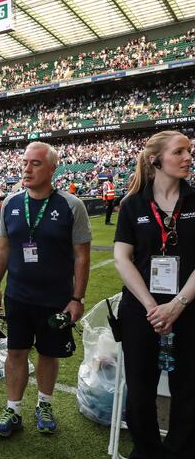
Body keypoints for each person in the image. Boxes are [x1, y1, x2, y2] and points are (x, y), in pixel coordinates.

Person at [0, 141, 91, 437]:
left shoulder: (72, 205)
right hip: (18, 296)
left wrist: (77, 298)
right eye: (24, 162)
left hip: (56, 299)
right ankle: (13, 409)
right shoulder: (11, 203)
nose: (26, 168)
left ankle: (44, 405)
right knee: (16, 352)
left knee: (49, 353)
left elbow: (82, 256)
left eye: (35, 163)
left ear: (52, 168)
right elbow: (3, 248)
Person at [113, 130, 195, 459]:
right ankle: (146, 452)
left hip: (188, 309)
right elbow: (122, 257)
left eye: (189, 151)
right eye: (179, 152)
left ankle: (181, 451)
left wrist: (177, 304)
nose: (188, 157)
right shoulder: (133, 205)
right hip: (140, 311)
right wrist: (152, 306)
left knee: (188, 388)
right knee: (140, 389)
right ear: (156, 160)